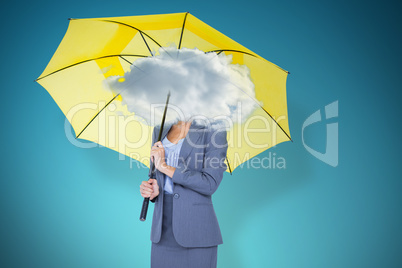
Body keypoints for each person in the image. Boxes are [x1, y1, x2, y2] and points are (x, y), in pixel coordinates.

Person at [140, 119, 228, 268]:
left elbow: (210, 183)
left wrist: (165, 167)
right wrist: (154, 189)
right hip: (161, 232)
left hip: (196, 232)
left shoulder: (214, 129)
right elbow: (157, 174)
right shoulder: (160, 128)